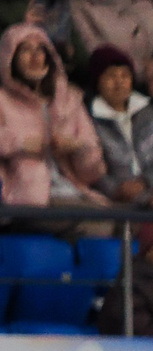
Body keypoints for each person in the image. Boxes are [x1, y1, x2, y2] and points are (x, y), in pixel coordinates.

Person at [0, 22, 107, 218]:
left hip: (73, 190)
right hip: (26, 198)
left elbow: (94, 172)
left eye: (40, 50)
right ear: (10, 57)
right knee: (103, 224)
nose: (35, 56)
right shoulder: (2, 100)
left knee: (125, 223)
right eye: (25, 50)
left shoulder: (70, 99)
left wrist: (77, 147)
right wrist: (21, 143)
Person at [87, 47, 153, 205]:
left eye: (125, 75)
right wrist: (146, 200)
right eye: (111, 76)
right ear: (98, 81)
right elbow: (96, 175)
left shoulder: (148, 113)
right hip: (115, 205)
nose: (119, 83)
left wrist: (145, 182)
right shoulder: (90, 120)